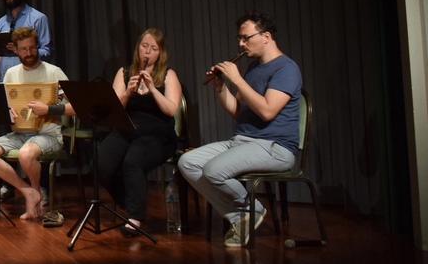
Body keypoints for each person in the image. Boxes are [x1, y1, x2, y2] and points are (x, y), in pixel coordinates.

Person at [178, 12, 302, 247]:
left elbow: (267, 111)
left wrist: (237, 80)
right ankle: (242, 217)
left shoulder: (286, 69)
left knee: (214, 170)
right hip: (243, 141)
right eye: (240, 38)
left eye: (246, 38)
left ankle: (251, 211)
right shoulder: (254, 68)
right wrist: (221, 87)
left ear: (266, 36)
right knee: (188, 162)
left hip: (275, 148)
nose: (240, 44)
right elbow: (238, 111)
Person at [0, 27, 73, 220]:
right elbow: (4, 106)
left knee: (26, 154)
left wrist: (49, 110)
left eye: (32, 48)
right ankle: (28, 191)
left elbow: (76, 107)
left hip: (48, 134)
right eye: (23, 49)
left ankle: (36, 191)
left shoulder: (54, 72)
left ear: (37, 47)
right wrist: (6, 113)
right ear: (16, 50)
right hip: (19, 134)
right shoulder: (11, 73)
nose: (28, 53)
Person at [96, 28, 182, 235]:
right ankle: (131, 203)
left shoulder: (168, 74)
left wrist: (152, 89)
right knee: (101, 163)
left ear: (160, 53)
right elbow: (114, 110)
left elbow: (171, 110)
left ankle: (135, 218)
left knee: (132, 161)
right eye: (144, 46)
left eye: (153, 48)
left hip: (158, 134)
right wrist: (127, 92)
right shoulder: (124, 73)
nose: (147, 52)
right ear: (138, 48)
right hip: (128, 129)